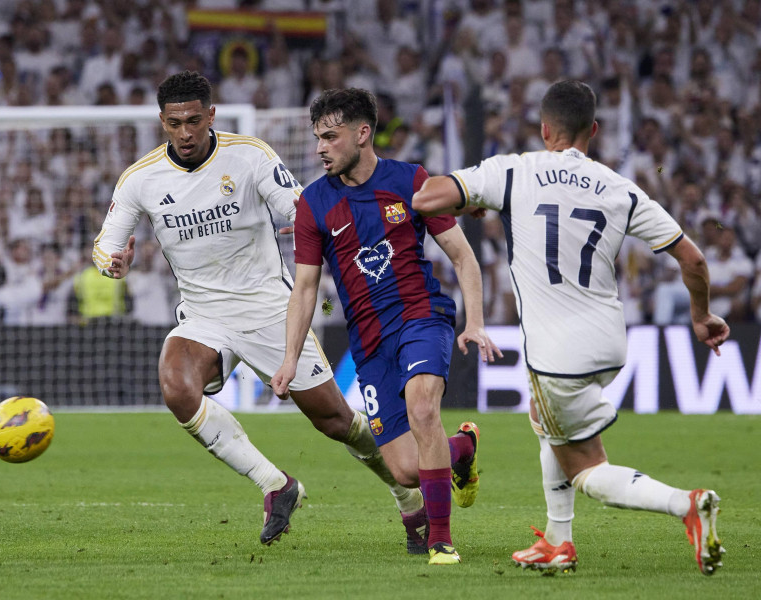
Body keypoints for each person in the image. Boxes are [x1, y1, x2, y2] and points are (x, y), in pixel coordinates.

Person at [91, 71, 427, 551]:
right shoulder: (141, 179)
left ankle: (405, 491)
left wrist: (306, 222)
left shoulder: (250, 155)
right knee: (175, 385)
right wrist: (112, 262)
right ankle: (276, 484)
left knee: (335, 421)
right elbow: (105, 245)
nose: (184, 133)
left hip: (270, 307)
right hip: (205, 315)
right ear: (161, 122)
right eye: (173, 124)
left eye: (193, 120)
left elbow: (298, 207)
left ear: (211, 115)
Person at [412, 80, 729, 575]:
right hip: (608, 341)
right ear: (593, 131)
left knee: (586, 468)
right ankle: (558, 540)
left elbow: (426, 198)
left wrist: (469, 202)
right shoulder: (621, 187)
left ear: (544, 129)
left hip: (557, 351)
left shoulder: (515, 170)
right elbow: (694, 261)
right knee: (545, 424)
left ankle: (687, 505)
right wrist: (701, 315)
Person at [271, 88, 501, 565]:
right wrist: (290, 359)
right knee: (405, 470)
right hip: (369, 344)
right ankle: (462, 448)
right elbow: (306, 289)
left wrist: (474, 322)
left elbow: (463, 256)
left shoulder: (411, 182)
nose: (320, 148)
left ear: (362, 133)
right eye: (317, 138)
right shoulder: (313, 203)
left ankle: (440, 540)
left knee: (422, 410)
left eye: (330, 137)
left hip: (422, 317)